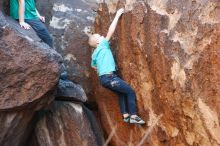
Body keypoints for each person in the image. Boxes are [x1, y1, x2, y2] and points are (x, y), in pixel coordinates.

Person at [88, 8, 145, 124]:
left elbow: (93, 66)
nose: (103, 36)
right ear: (98, 42)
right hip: (110, 77)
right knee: (130, 92)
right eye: (100, 36)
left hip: (104, 79)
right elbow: (110, 31)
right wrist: (118, 15)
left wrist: (101, 68)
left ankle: (125, 115)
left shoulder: (94, 53)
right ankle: (133, 115)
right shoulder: (103, 45)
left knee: (121, 93)